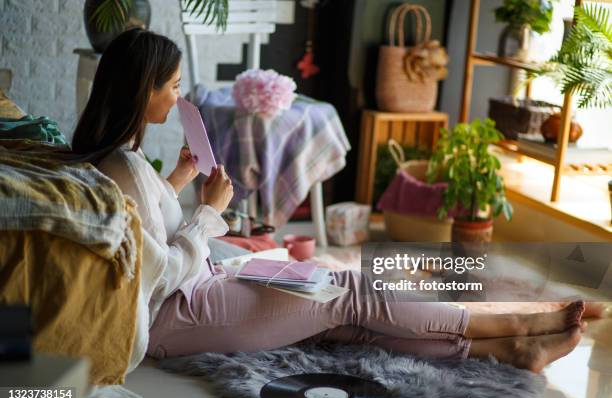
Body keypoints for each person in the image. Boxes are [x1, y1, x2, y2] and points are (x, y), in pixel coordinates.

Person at [72, 29, 589, 375]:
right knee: (346, 292)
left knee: (339, 318)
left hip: (195, 290)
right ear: (145, 92)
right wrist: (207, 214)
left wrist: (183, 176)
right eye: (174, 87)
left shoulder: (119, 162)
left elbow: (148, 223)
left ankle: (507, 351)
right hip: (176, 312)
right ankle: (513, 325)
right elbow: (153, 276)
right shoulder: (120, 169)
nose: (179, 98)